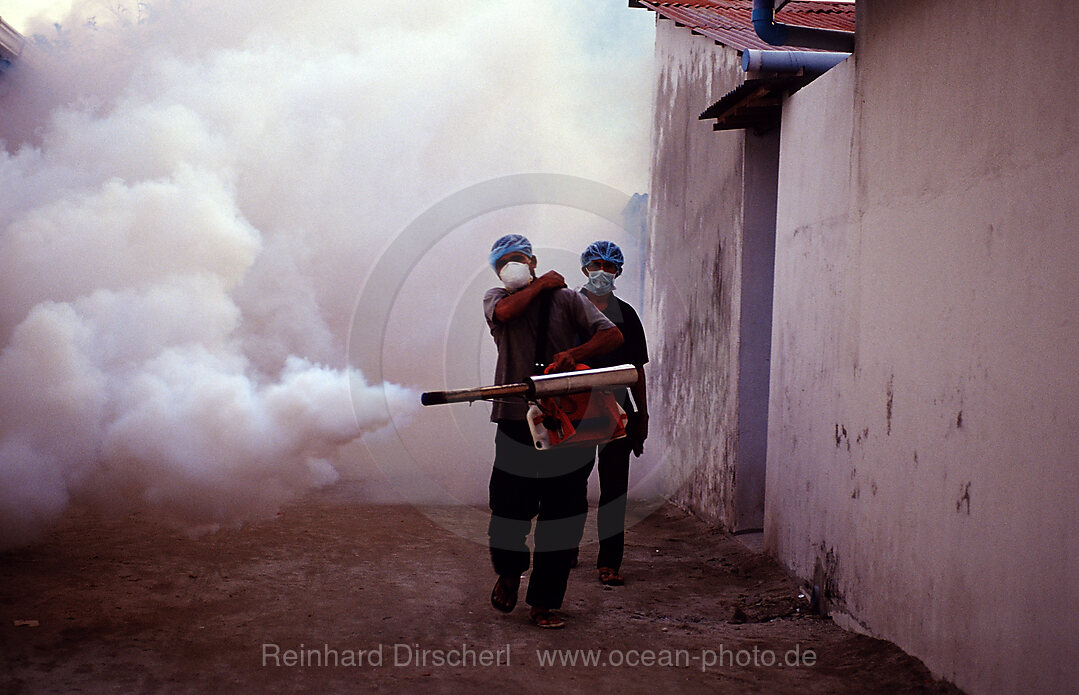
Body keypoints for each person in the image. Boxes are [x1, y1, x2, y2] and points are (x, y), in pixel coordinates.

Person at [483, 233, 623, 629]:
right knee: (509, 509)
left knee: (563, 514)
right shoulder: (496, 298)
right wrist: (542, 283)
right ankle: (509, 573)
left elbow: (611, 334)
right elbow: (507, 315)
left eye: (519, 258)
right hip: (514, 419)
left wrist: (574, 355)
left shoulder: (567, 300)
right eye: (503, 262)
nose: (511, 266)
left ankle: (544, 602)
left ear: (532, 259)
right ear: (498, 270)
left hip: (568, 422)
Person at [577, 240, 649, 587]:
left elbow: (637, 369)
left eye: (609, 266)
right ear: (584, 269)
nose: (602, 272)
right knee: (570, 485)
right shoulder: (568, 310)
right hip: (573, 410)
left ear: (618, 272)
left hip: (618, 412)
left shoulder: (627, 315)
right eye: (596, 265)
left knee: (614, 488)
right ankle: (565, 547)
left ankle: (609, 562)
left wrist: (642, 415)